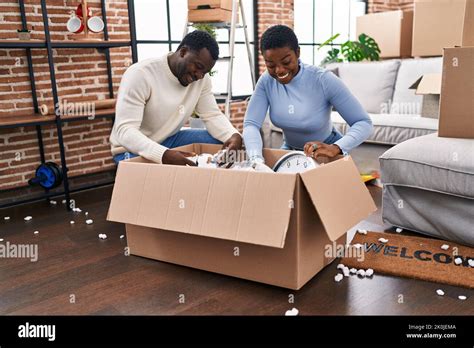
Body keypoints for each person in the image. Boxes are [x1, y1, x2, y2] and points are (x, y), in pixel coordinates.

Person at [243, 25, 373, 164]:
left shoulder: (323, 80)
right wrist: (256, 160)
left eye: (286, 62)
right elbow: (251, 124)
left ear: (298, 53)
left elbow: (363, 123)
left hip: (326, 151)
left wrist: (335, 148)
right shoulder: (266, 81)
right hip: (290, 151)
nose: (279, 70)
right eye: (271, 65)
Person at [110, 30, 242, 166]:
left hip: (170, 139)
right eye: (198, 67)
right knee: (161, 178)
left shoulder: (202, 80)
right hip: (130, 149)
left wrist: (233, 135)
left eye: (204, 72)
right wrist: (163, 154)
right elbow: (125, 131)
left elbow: (212, 115)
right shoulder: (140, 74)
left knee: (223, 143)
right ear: (183, 52)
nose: (200, 76)